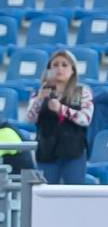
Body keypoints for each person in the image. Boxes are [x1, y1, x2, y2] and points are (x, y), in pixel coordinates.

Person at [26, 49, 93, 185]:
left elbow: (85, 119)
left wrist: (61, 109)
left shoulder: (82, 92)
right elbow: (30, 118)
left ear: (72, 70)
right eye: (55, 65)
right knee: (46, 195)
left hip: (73, 153)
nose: (59, 69)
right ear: (49, 70)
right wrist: (39, 99)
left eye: (64, 65)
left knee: (74, 195)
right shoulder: (39, 92)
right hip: (47, 153)